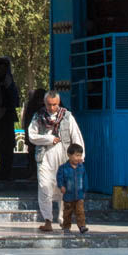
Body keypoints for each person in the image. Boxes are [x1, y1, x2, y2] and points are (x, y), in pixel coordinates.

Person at [27, 88, 85, 232]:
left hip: (64, 157)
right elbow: (32, 136)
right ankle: (47, 220)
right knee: (44, 186)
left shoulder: (67, 116)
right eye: (49, 104)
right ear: (44, 103)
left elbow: (76, 136)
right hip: (45, 157)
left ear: (58, 103)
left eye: (54, 104)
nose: (52, 108)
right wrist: (49, 139)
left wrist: (79, 157)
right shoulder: (38, 117)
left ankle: (62, 219)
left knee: (63, 188)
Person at [57, 145, 89, 235]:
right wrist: (61, 186)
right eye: (76, 155)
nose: (78, 158)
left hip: (79, 195)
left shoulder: (81, 168)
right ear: (69, 155)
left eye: (80, 155)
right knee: (67, 213)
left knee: (80, 212)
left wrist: (85, 190)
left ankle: (82, 226)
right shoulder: (63, 168)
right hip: (68, 195)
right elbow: (59, 179)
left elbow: (84, 179)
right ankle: (66, 227)